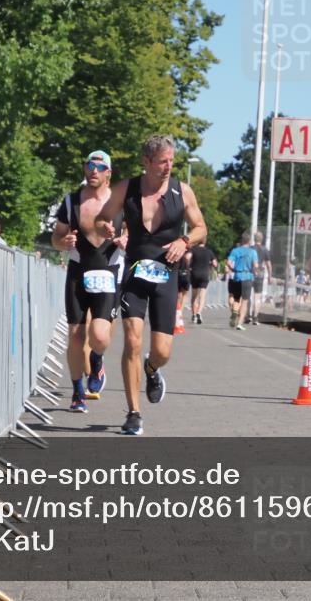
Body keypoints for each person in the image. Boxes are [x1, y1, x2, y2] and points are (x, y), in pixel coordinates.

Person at [98, 135, 206, 435]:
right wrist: (106, 226)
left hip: (166, 276)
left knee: (162, 351)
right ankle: (133, 412)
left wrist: (184, 241)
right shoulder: (126, 189)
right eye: (162, 161)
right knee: (132, 340)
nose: (169, 166)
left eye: (172, 160)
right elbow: (102, 218)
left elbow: (201, 228)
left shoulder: (182, 192)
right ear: (146, 162)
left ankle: (152, 369)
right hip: (134, 273)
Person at [51, 151, 127, 413]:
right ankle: (77, 391)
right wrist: (63, 242)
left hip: (108, 271)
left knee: (99, 335)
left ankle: (96, 361)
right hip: (78, 270)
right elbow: (56, 237)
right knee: (75, 335)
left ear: (109, 173)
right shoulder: (72, 201)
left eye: (99, 167)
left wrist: (124, 238)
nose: (93, 170)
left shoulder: (120, 203)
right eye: (89, 165)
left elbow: (134, 234)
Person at [226, 233, 259, 330]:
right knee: (245, 301)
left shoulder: (235, 251)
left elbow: (228, 262)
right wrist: (255, 271)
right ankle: (240, 324)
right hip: (248, 277)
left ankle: (234, 312)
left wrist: (232, 269)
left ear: (241, 241)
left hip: (237, 276)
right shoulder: (253, 252)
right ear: (249, 241)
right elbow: (256, 266)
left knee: (236, 298)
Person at [189, 241, 218, 323]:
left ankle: (194, 315)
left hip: (194, 273)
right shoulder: (209, 251)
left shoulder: (193, 249)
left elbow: (187, 257)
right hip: (205, 274)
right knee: (202, 295)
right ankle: (199, 312)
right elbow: (215, 264)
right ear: (205, 242)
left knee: (194, 295)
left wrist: (188, 266)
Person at [248, 231, 272, 325]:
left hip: (249, 273)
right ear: (262, 239)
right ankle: (255, 317)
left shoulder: (250, 249)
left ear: (254, 239)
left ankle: (247, 316)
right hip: (260, 274)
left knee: (247, 296)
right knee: (257, 297)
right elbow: (269, 265)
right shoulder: (265, 250)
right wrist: (270, 276)